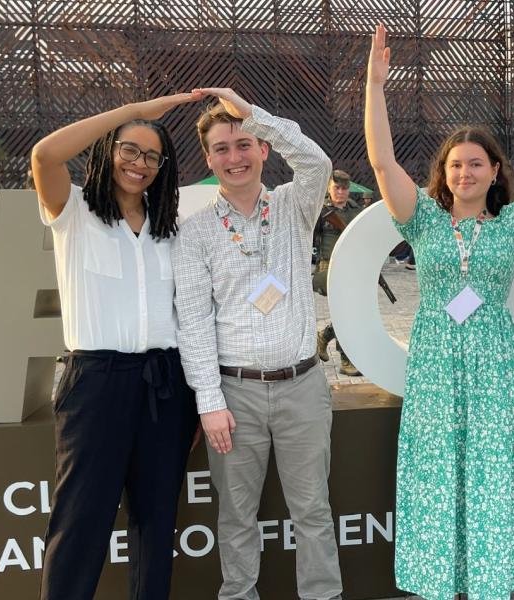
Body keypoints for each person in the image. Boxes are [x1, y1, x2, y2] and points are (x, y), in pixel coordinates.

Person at [365, 24, 514, 600]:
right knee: (435, 470)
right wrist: (376, 87)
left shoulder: (513, 226)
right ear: (445, 172)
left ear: (494, 171)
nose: (465, 173)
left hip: (493, 364)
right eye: (456, 164)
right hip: (433, 361)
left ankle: (488, 582)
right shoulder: (422, 219)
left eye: (476, 163)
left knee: (491, 470)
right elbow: (381, 162)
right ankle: (438, 582)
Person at [172, 87, 343, 600]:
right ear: (208, 160)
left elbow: (317, 162)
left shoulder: (294, 204)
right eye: (222, 149)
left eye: (244, 144)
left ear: (264, 148)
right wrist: (209, 402)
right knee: (236, 515)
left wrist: (252, 115)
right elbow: (194, 323)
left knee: (312, 510)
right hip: (234, 395)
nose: (235, 157)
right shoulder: (194, 232)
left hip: (302, 386)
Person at [31, 94, 201, 599]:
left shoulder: (168, 226)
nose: (139, 163)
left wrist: (195, 397)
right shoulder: (74, 209)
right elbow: (44, 155)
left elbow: (185, 316)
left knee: (156, 523)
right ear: (108, 150)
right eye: (129, 149)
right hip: (96, 382)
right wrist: (133, 111)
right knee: (80, 521)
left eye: (152, 156)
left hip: (165, 384)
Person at [313, 169, 365, 376]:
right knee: (345, 312)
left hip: (351, 266)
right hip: (329, 267)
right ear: (329, 188)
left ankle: (324, 336)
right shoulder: (320, 210)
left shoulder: (356, 210)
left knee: (351, 311)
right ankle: (346, 359)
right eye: (337, 188)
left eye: (344, 188)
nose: (341, 192)